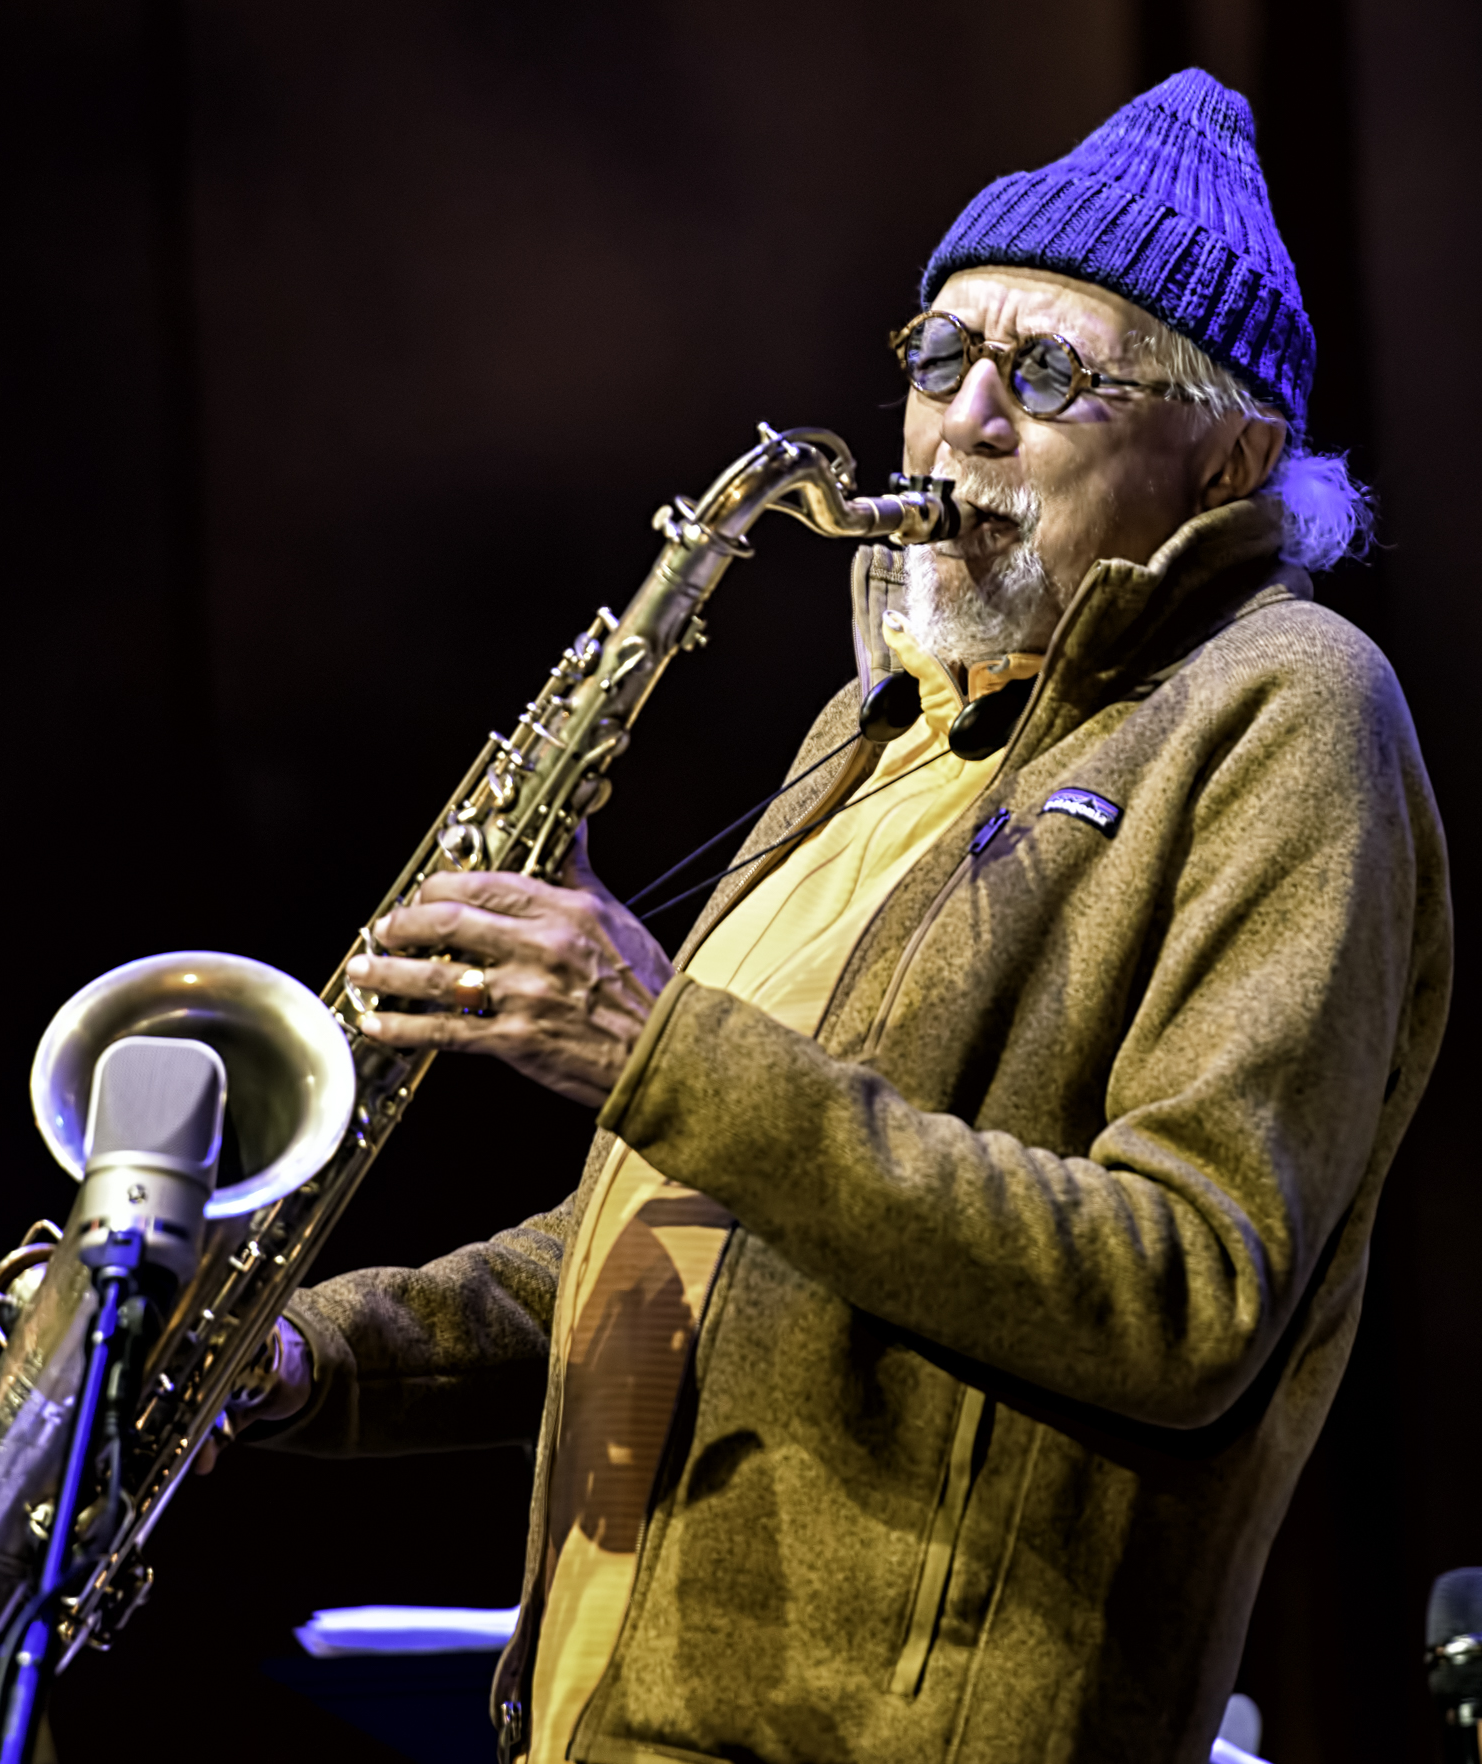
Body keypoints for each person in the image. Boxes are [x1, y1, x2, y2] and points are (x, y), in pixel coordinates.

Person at [210, 70, 1453, 1763]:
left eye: (1052, 373)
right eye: (940, 360)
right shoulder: (878, 729)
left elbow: (1187, 1295)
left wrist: (657, 1044)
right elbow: (675, 1243)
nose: (964, 425)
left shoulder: (1288, 702)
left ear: (1228, 454)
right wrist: (296, 1352)